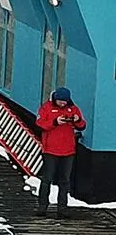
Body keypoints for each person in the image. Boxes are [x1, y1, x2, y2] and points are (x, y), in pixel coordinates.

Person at [35, 87, 87, 217]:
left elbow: (82, 125)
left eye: (64, 101)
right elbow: (40, 124)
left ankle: (62, 208)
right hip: (50, 150)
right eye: (60, 101)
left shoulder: (73, 109)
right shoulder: (46, 108)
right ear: (55, 98)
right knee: (47, 178)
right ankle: (42, 206)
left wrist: (77, 120)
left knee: (65, 180)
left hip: (68, 150)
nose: (62, 103)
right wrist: (55, 122)